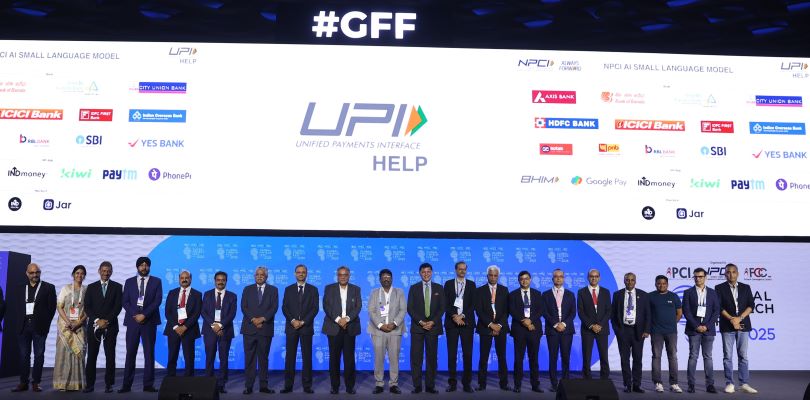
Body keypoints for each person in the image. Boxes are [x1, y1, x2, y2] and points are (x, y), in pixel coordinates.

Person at [12, 263, 56, 393]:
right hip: (23, 327)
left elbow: (52, 308)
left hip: (39, 327)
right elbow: (16, 307)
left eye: (37, 272)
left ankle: (36, 382)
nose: (35, 275)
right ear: (27, 274)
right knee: (24, 356)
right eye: (32, 273)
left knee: (39, 355)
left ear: (40, 273)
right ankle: (23, 382)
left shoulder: (48, 287)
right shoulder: (19, 288)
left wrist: (46, 324)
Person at [715, 263, 757, 394]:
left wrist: (740, 318)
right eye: (728, 272)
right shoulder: (719, 288)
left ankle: (744, 383)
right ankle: (729, 383)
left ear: (737, 273)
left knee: (743, 355)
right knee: (727, 356)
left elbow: (751, 305)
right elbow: (719, 307)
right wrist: (732, 319)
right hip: (727, 326)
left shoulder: (745, 287)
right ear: (725, 274)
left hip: (743, 325)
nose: (731, 274)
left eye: (733, 272)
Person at [83, 261, 123, 393]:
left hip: (110, 326)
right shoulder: (91, 287)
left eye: (108, 271)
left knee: (110, 356)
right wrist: (97, 320)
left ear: (111, 272)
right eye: (104, 271)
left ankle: (109, 384)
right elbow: (87, 306)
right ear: (99, 271)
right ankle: (90, 385)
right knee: (91, 356)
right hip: (94, 326)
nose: (106, 273)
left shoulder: (117, 287)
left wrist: (106, 321)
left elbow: (118, 307)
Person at [322, 266, 362, 394]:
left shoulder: (356, 289)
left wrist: (347, 319)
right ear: (337, 276)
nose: (343, 277)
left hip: (350, 328)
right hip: (334, 328)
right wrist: (339, 320)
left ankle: (350, 386)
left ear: (349, 276)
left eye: (345, 275)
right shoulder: (329, 288)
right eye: (340, 275)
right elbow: (326, 306)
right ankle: (335, 386)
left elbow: (358, 307)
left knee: (349, 360)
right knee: (334, 359)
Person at [407, 263, 445, 394]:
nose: (426, 274)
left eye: (428, 271)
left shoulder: (439, 288)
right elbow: (410, 308)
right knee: (416, 358)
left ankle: (430, 385)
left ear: (432, 272)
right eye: (424, 272)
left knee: (431, 358)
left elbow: (442, 308)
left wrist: (432, 322)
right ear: (420, 273)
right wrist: (421, 322)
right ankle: (417, 385)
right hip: (418, 328)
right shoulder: (414, 288)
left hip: (433, 328)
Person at [281, 265, 319, 394]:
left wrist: (303, 322)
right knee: (290, 357)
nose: (301, 274)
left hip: (306, 328)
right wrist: (293, 320)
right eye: (298, 272)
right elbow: (284, 307)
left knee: (307, 357)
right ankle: (288, 385)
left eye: (303, 272)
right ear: (295, 274)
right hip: (291, 327)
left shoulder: (313, 289)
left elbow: (315, 309)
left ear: (306, 274)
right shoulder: (288, 289)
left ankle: (307, 385)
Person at [240, 265, 279, 394]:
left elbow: (274, 308)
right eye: (257, 274)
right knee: (249, 359)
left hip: (265, 328)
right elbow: (244, 307)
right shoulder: (247, 289)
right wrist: (253, 319)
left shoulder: (273, 290)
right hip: (249, 329)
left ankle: (263, 386)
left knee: (263, 358)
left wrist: (262, 319)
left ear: (266, 277)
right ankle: (249, 386)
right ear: (254, 276)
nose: (259, 276)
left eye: (262, 275)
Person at [610, 272, 650, 393]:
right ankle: (627, 384)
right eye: (627, 280)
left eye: (632, 280)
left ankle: (637, 385)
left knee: (637, 359)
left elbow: (648, 314)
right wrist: (617, 330)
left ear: (635, 281)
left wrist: (646, 330)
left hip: (639, 331)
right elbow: (613, 314)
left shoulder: (643, 295)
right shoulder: (617, 295)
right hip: (623, 331)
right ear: (624, 281)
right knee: (624, 359)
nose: (630, 282)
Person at [368, 268, 406, 394]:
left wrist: (394, 324)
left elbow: (403, 310)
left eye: (388, 277)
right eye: (384, 277)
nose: (386, 279)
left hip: (395, 330)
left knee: (394, 358)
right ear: (380, 279)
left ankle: (393, 384)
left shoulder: (399, 292)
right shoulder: (374, 293)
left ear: (392, 279)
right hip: (378, 331)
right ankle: (379, 383)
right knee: (379, 358)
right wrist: (380, 325)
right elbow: (371, 311)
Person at [683, 268, 720, 394]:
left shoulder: (713, 292)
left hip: (708, 330)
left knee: (708, 357)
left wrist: (707, 326)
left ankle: (710, 385)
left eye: (700, 276)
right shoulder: (688, 292)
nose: (698, 279)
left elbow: (716, 311)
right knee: (693, 356)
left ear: (705, 277)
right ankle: (691, 385)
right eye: (695, 277)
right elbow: (686, 311)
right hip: (694, 330)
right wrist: (696, 326)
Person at [475, 265, 510, 391]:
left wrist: (498, 325)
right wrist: (491, 324)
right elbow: (479, 310)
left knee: (502, 357)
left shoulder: (504, 290)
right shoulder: (479, 291)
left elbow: (507, 310)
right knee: (483, 357)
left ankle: (504, 383)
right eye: (491, 275)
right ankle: (481, 384)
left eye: (495, 275)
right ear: (487, 276)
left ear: (498, 276)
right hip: (485, 328)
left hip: (501, 328)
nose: (493, 277)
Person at [53, 265, 88, 391]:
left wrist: (78, 323)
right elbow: (59, 306)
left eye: (82, 273)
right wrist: (68, 322)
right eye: (77, 273)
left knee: (78, 354)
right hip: (65, 327)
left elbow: (89, 309)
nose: (79, 275)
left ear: (84, 276)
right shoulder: (66, 289)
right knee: (64, 354)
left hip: (80, 327)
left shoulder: (87, 290)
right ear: (73, 274)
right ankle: (62, 383)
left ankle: (77, 383)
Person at [508, 271, 544, 393]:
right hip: (519, 330)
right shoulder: (512, 294)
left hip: (534, 329)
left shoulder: (537, 294)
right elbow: (512, 310)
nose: (524, 281)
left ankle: (535, 385)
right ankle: (517, 385)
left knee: (534, 358)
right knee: (518, 359)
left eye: (526, 278)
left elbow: (540, 310)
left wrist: (530, 320)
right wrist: (524, 321)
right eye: (522, 279)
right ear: (519, 280)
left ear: (530, 280)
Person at [443, 261, 476, 393]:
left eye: (464, 269)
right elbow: (445, 303)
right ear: (456, 270)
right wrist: (454, 316)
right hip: (452, 324)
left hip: (467, 324)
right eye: (460, 269)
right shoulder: (448, 284)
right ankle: (452, 383)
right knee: (452, 354)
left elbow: (473, 304)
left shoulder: (472, 284)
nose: (462, 271)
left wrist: (462, 315)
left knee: (468, 354)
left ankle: (467, 383)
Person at [202, 271, 237, 394]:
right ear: (214, 281)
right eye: (218, 280)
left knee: (224, 358)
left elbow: (232, 314)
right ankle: (208, 383)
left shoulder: (232, 296)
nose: (220, 282)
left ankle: (221, 384)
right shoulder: (207, 294)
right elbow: (203, 312)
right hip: (210, 330)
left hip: (225, 331)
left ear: (226, 281)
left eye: (223, 280)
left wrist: (220, 326)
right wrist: (214, 325)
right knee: (209, 357)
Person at [542, 268, 575, 392]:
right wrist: (556, 324)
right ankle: (554, 383)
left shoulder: (570, 294)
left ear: (564, 279)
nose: (558, 278)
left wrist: (564, 324)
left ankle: (565, 382)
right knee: (553, 357)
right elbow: (544, 312)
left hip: (567, 330)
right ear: (552, 279)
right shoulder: (545, 294)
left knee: (566, 357)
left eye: (561, 276)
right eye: (556, 276)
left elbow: (573, 313)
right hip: (552, 330)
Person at [164, 270, 202, 377]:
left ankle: (189, 381)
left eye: (186, 278)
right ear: (179, 279)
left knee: (189, 357)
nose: (184, 280)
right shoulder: (172, 293)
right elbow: (167, 312)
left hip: (189, 330)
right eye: (182, 278)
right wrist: (176, 327)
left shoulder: (197, 294)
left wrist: (185, 327)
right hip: (173, 329)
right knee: (172, 356)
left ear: (191, 279)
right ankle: (171, 379)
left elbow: (196, 313)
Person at [649, 275, 683, 393]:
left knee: (672, 357)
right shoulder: (650, 296)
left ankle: (674, 383)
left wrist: (672, 323)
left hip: (671, 332)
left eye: (664, 283)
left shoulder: (673, 296)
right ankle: (657, 382)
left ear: (667, 284)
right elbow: (646, 313)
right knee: (656, 357)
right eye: (659, 283)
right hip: (656, 332)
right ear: (655, 284)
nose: (661, 285)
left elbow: (679, 313)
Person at [577, 268, 611, 380]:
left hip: (602, 328)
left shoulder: (606, 292)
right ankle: (587, 378)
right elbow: (580, 312)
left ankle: (604, 379)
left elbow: (608, 311)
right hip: (588, 329)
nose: (594, 278)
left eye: (596, 276)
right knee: (586, 356)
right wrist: (591, 325)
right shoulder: (581, 292)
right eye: (592, 276)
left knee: (604, 356)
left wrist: (600, 325)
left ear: (599, 278)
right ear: (588, 278)